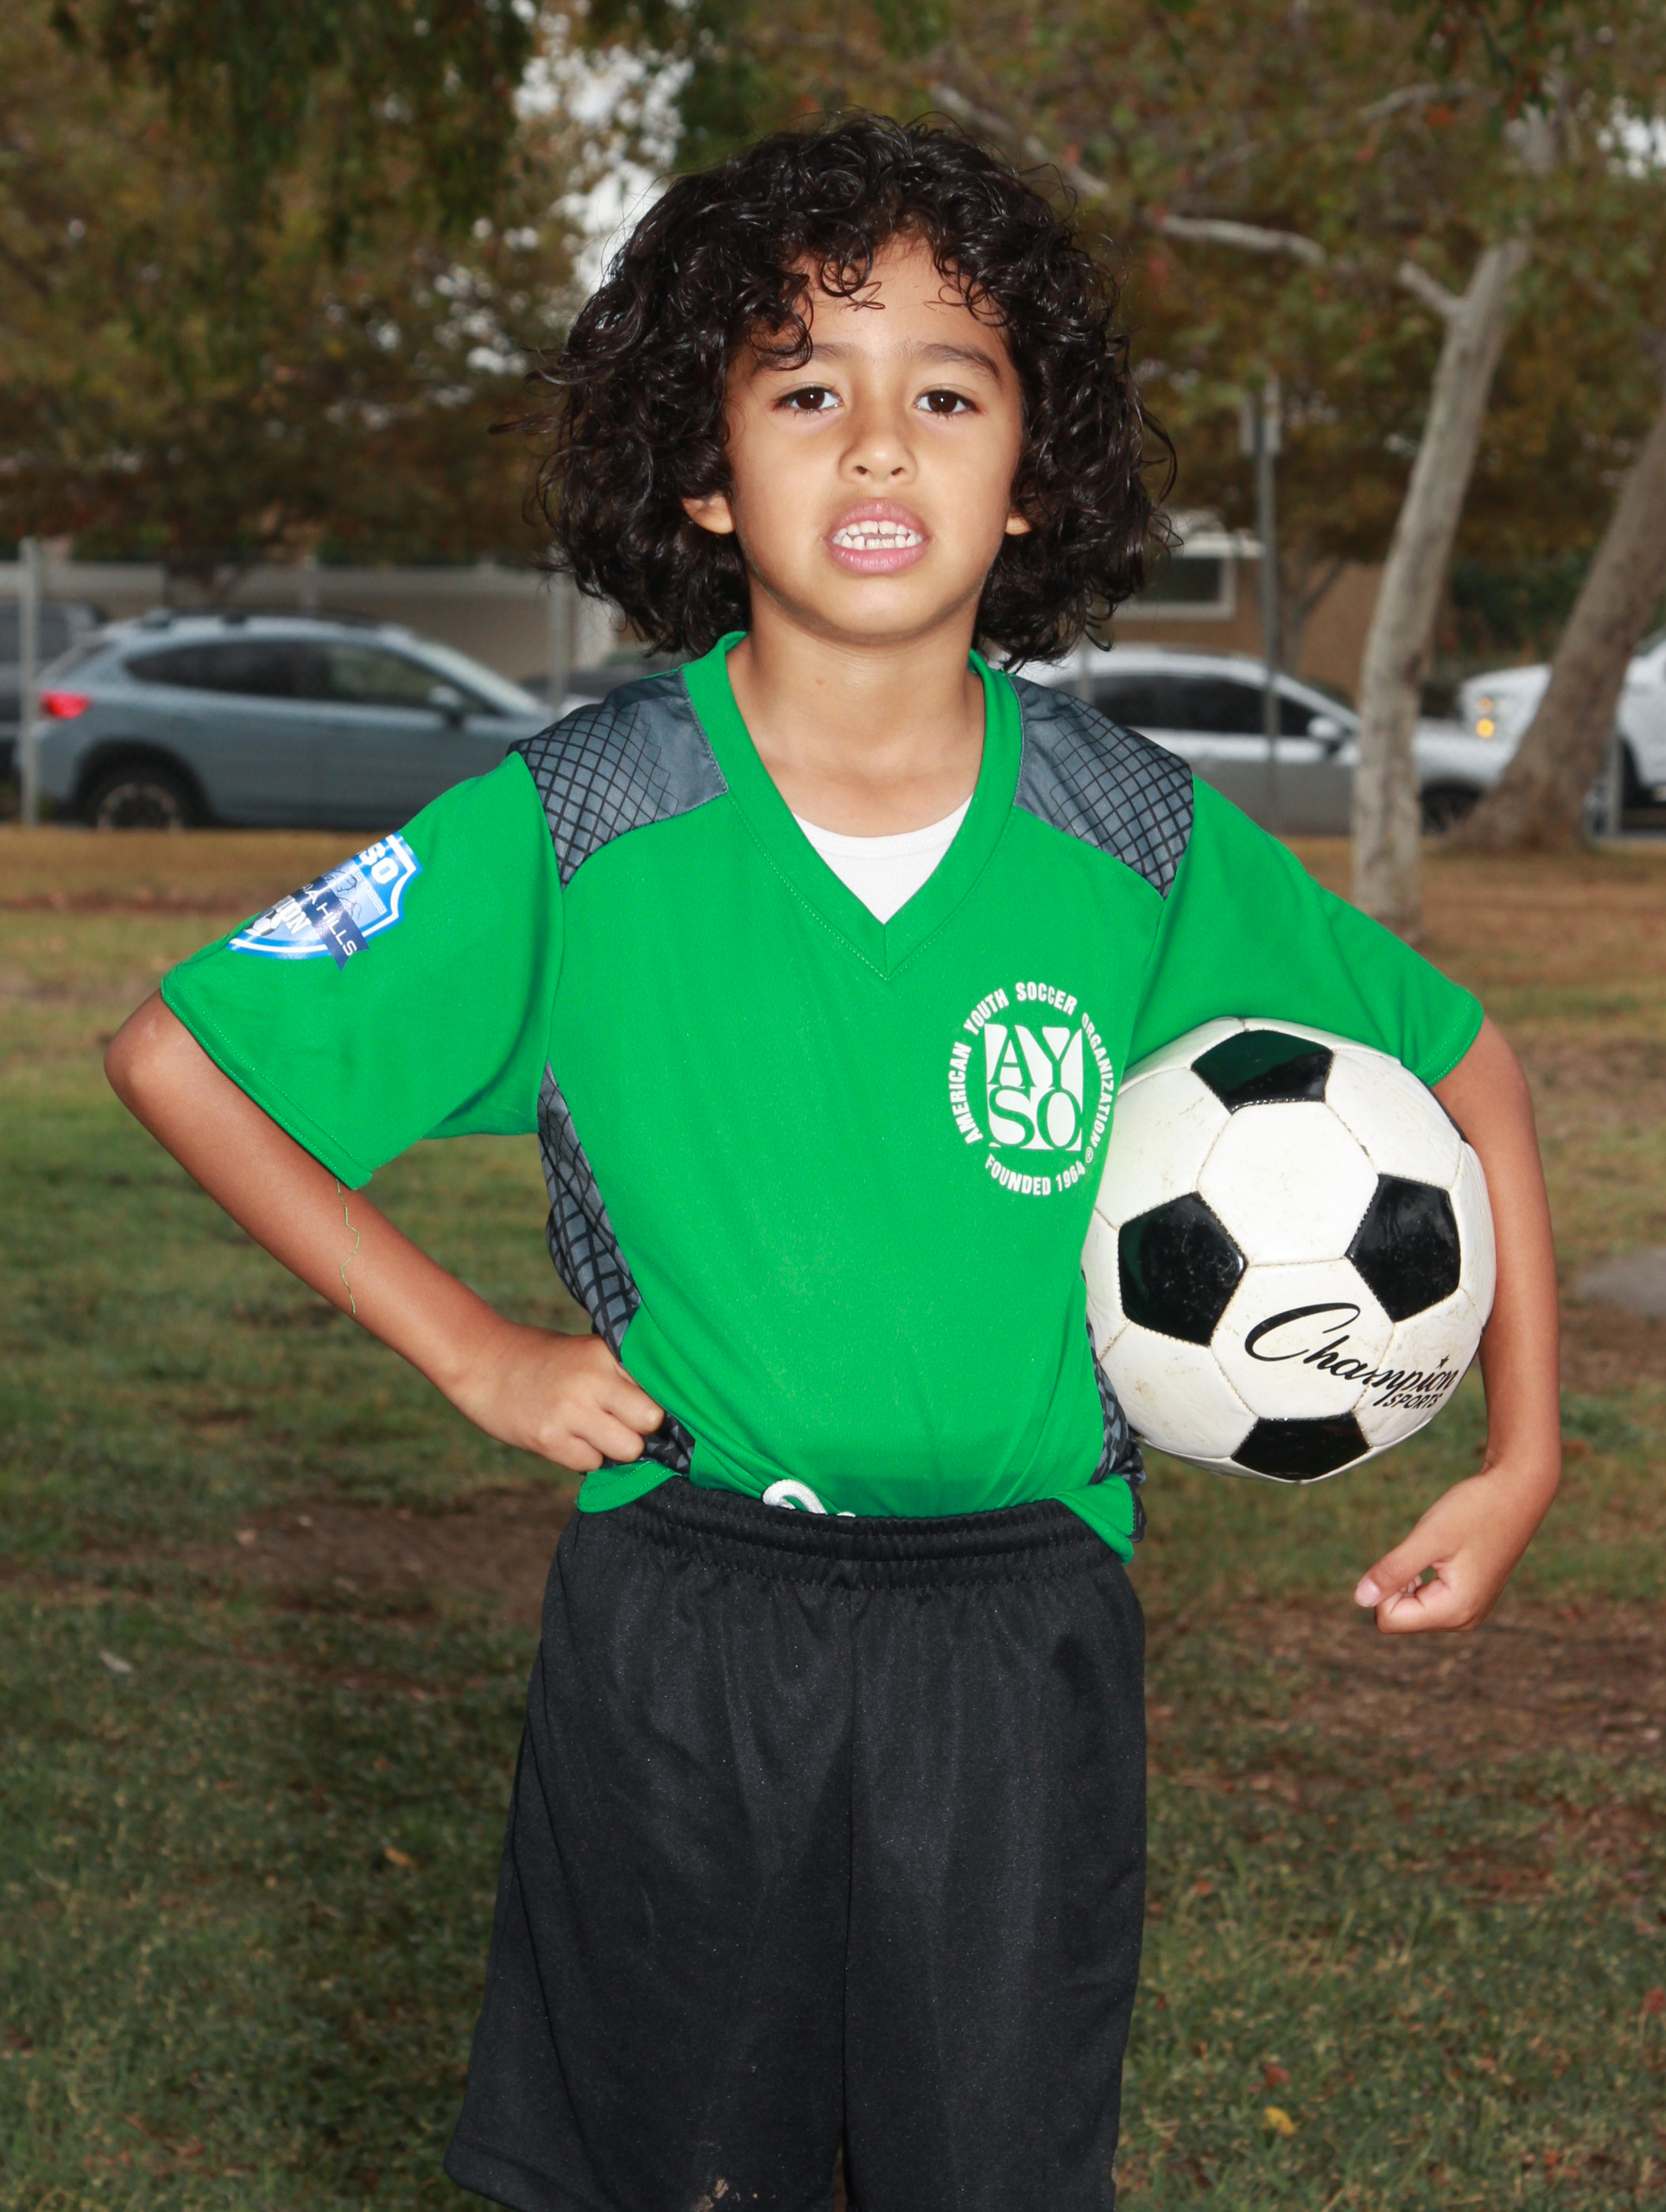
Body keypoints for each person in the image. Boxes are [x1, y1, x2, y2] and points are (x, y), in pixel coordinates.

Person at [106, 117, 1560, 2212]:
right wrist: (473, 1353)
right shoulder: (589, 817)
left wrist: (1519, 1455)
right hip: (682, 1628)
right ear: (702, 470)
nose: (878, 443)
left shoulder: (1132, 837)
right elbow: (182, 1055)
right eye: (806, 391)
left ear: (1030, 469)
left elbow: (1468, 1063)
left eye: (946, 394)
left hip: (1021, 1637)